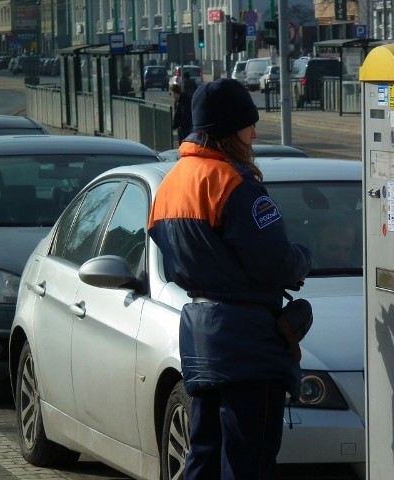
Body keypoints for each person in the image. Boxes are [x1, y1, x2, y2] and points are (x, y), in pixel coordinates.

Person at [148, 78, 311, 480]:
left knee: (203, 455)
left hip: (201, 335)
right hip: (248, 343)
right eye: (248, 124)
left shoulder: (171, 183)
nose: (254, 133)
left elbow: (173, 260)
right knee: (247, 461)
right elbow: (274, 262)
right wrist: (302, 259)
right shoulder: (235, 184)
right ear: (226, 129)